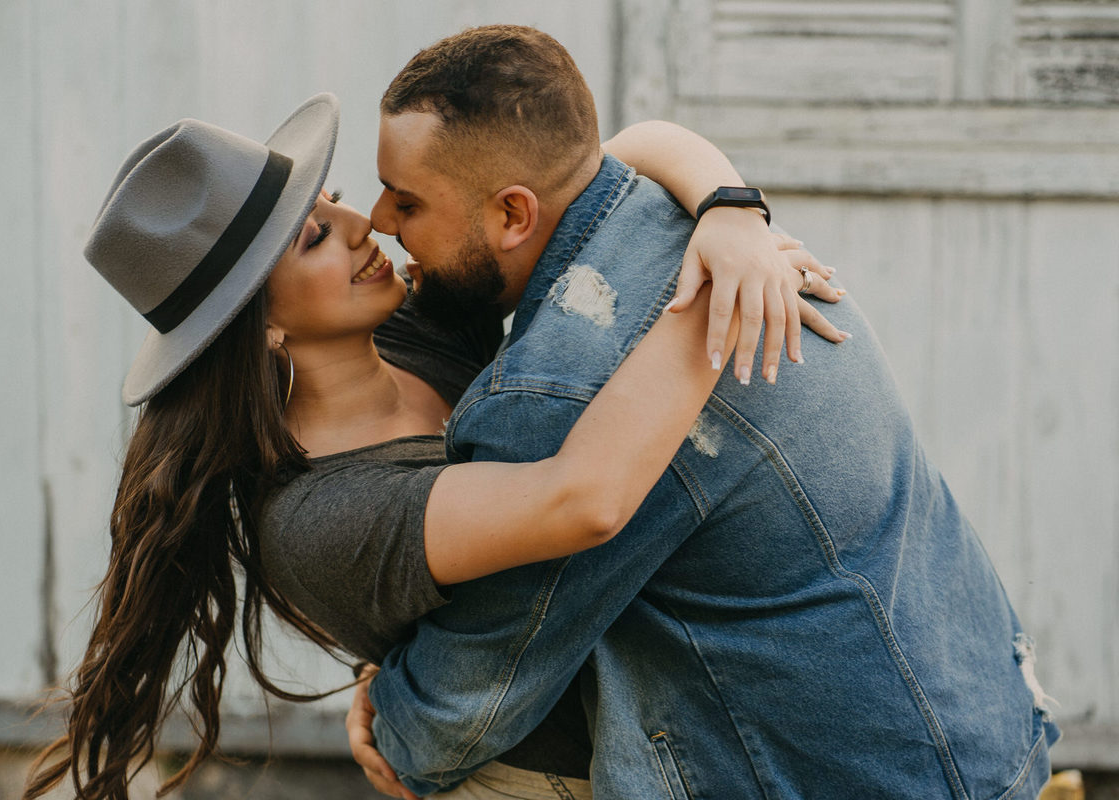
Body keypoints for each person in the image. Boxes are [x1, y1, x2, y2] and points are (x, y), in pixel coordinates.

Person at [20, 92, 841, 800]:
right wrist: (714, 293)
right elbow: (582, 500)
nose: (362, 225)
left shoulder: (419, 330)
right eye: (313, 237)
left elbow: (605, 159)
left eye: (333, 200)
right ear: (261, 327)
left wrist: (730, 212)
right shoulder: (318, 511)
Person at [347, 25, 1060, 800]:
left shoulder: (559, 393)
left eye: (407, 199)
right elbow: (642, 143)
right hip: (979, 724)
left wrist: (389, 714)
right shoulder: (700, 230)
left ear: (515, 215)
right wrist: (727, 199)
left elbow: (475, 694)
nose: (380, 218)